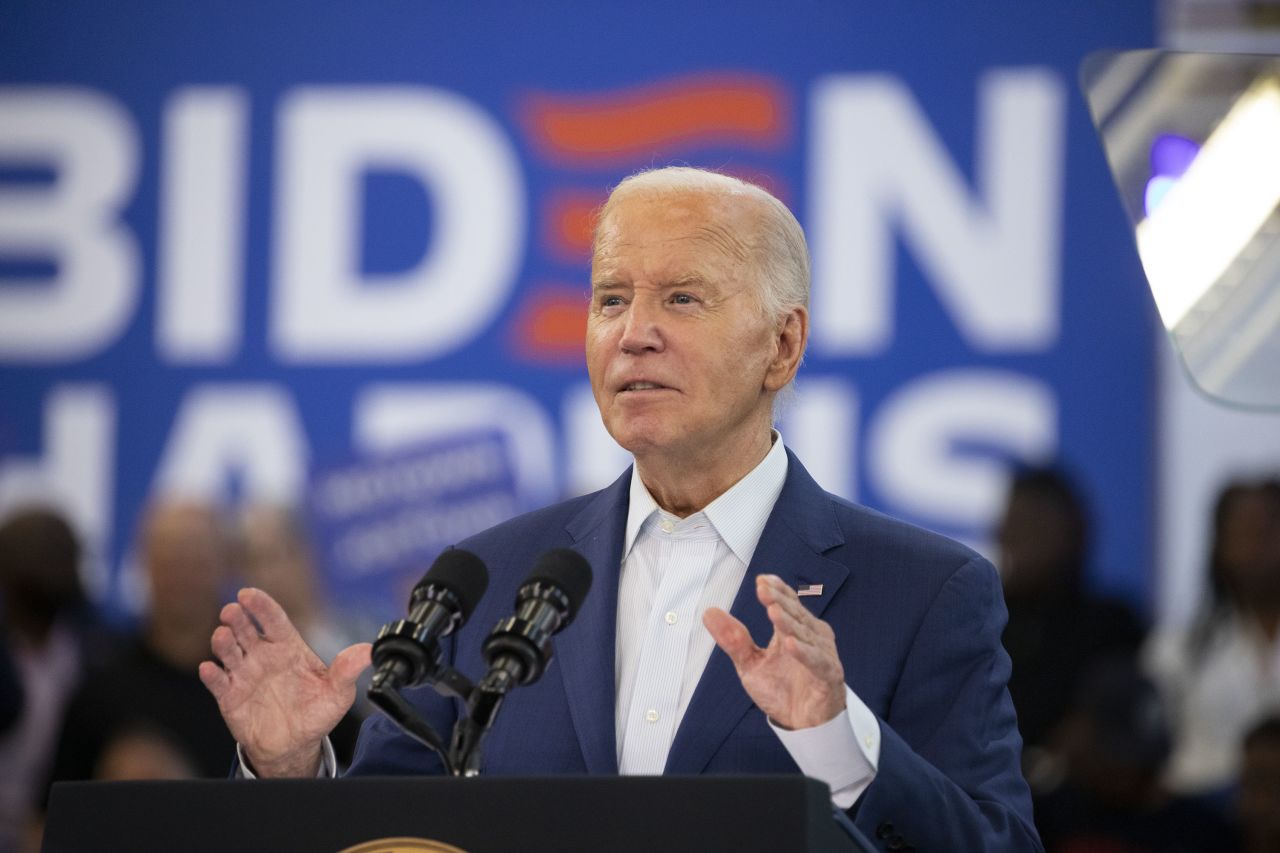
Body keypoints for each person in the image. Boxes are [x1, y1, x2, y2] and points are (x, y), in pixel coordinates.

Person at [201, 167, 1041, 851]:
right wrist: (294, 771)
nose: (633, 332)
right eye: (610, 299)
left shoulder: (927, 591)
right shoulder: (490, 577)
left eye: (682, 298)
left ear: (782, 346)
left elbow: (994, 845)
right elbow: (396, 835)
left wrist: (835, 737)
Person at [50, 500, 236, 784]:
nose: (183, 576)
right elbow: (49, 817)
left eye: (197, 560)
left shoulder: (254, 687)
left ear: (225, 565)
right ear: (144, 563)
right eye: (170, 560)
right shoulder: (100, 691)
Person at [996, 466, 1145, 768]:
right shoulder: (980, 621)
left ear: (1076, 531)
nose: (1025, 539)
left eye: (1037, 526)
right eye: (1017, 524)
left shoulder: (1114, 623)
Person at [1144, 477, 1280, 798]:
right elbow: (1149, 761)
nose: (1257, 544)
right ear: (1219, 545)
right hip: (1203, 818)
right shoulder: (1176, 649)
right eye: (1243, 532)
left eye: (1268, 529)